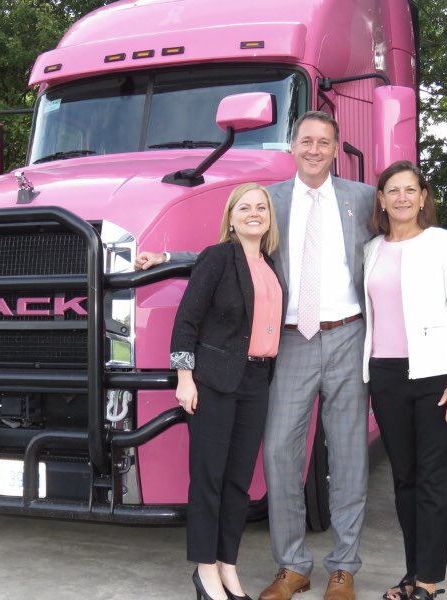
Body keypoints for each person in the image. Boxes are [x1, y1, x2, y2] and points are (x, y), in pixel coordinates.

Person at [137, 111, 447, 600]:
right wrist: (168, 258)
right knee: (278, 454)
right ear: (292, 146)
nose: (314, 149)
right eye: (305, 141)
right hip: (291, 341)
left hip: (349, 338)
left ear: (337, 149)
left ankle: (343, 567)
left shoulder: (362, 198)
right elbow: (233, 249)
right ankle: (293, 565)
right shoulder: (270, 200)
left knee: (350, 458)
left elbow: (410, 240)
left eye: (324, 142)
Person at [362, 161, 447, 600]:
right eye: (394, 190)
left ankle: (428, 580)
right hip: (386, 377)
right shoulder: (371, 249)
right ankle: (413, 572)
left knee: (434, 481)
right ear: (382, 199)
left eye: (411, 189)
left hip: (438, 375)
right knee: (404, 479)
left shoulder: (446, 244)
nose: (403, 197)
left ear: (423, 196)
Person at [170, 183, 284, 600]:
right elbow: (186, 321)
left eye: (261, 207)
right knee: (209, 479)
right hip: (213, 383)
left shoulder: (271, 266)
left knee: (239, 483)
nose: (254, 213)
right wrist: (185, 378)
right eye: (245, 207)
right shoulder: (218, 258)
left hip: (257, 382)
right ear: (231, 218)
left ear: (269, 217)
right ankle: (204, 571)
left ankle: (227, 565)